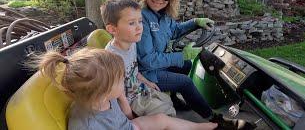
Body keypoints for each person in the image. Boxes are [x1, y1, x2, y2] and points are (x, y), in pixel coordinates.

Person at [37, 48, 217, 130]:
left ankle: (199, 126)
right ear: (103, 91)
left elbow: (125, 116)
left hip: (130, 126)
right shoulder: (86, 125)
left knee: (161, 119)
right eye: (119, 79)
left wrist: (125, 103)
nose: (124, 80)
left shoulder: (105, 98)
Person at [131, 0, 215, 119]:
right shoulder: (139, 17)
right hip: (144, 72)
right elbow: (147, 61)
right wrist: (181, 55)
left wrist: (196, 22)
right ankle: (214, 119)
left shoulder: (162, 14)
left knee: (187, 65)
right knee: (185, 82)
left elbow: (174, 30)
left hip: (154, 65)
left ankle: (174, 99)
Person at [101, 0, 174, 116]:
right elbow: (119, 97)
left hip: (140, 89)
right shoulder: (112, 59)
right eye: (131, 23)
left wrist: (147, 82)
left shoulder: (132, 43)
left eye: (140, 21)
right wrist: (131, 120)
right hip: (131, 102)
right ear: (112, 29)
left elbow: (133, 71)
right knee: (168, 113)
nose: (139, 27)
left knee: (167, 101)